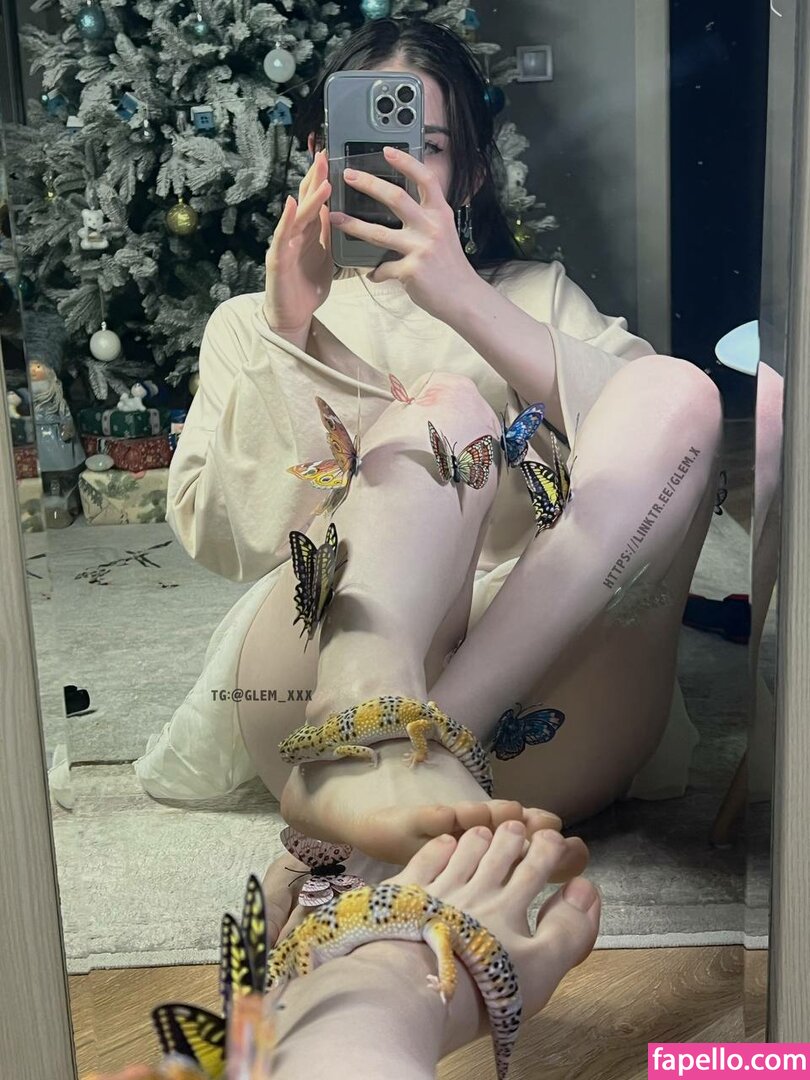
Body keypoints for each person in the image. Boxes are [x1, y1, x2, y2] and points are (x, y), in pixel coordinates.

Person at [135, 16, 725, 869]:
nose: (394, 164)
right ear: (318, 155)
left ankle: (430, 742)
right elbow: (230, 541)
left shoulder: (534, 296)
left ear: (471, 173)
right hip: (313, 687)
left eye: (427, 144)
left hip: (537, 705)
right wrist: (289, 330)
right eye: (361, 140)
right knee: (445, 411)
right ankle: (363, 715)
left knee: (681, 392)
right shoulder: (253, 321)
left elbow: (670, 458)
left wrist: (461, 298)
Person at [86, 821, 602, 1080]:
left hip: (415, 922)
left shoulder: (296, 958)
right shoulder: (297, 955)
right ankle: (381, 991)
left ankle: (367, 994)